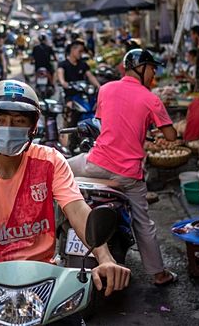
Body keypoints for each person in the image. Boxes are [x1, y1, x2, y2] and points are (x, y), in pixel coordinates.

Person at [0, 80, 130, 326]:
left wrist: (105, 258)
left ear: (33, 126)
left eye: (19, 120)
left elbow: (77, 209)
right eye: (0, 118)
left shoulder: (51, 161)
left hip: (41, 274)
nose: (8, 127)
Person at [67, 49, 179, 287]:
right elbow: (170, 136)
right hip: (128, 177)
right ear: (141, 68)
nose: (154, 73)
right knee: (143, 222)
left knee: (60, 169)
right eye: (152, 68)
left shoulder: (105, 89)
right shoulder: (151, 98)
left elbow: (104, 121)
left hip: (94, 166)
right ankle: (159, 274)